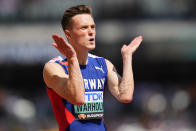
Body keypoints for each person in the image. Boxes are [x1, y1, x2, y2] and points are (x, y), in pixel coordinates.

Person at [43, 4, 143, 131]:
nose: (91, 32)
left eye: (93, 27)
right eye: (84, 28)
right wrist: (72, 58)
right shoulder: (54, 68)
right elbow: (78, 98)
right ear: (69, 35)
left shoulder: (102, 64)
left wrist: (127, 57)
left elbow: (125, 95)